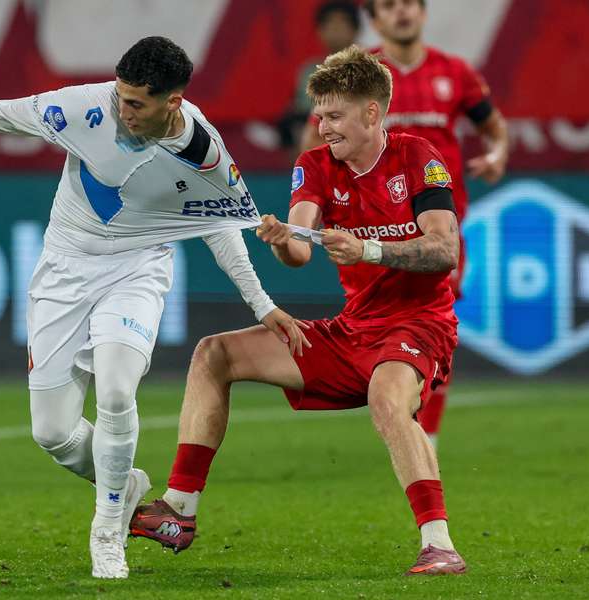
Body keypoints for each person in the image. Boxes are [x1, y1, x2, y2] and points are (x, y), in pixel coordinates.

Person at [0, 36, 308, 579]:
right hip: (64, 271)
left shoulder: (204, 152)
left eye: (137, 102)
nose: (123, 109)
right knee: (53, 433)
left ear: (174, 102)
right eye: (121, 95)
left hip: (137, 270)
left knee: (117, 390)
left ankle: (107, 533)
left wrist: (263, 305)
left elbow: (216, 224)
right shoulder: (84, 108)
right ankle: (126, 483)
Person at [130, 45, 467, 576]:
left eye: (334, 115)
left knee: (387, 397)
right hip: (351, 330)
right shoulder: (313, 165)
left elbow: (444, 250)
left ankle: (439, 544)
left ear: (371, 113)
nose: (323, 125)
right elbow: (300, 249)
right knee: (214, 353)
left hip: (418, 326)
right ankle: (179, 508)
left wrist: (368, 250)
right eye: (320, 114)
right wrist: (280, 240)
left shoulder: (417, 156)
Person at [300, 0, 509, 445]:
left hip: (437, 224)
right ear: (375, 19)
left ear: (423, 13)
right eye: (389, 7)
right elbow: (316, 133)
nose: (402, 14)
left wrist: (497, 155)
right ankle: (395, 406)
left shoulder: (455, 73)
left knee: (436, 313)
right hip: (372, 224)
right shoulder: (362, 75)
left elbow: (494, 127)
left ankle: (422, 432)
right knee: (378, 320)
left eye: (410, 5)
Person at [278, 1, 361, 155]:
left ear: (355, 30)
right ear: (319, 32)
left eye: (342, 23)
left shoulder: (371, 70)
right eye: (329, 24)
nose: (336, 29)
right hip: (321, 151)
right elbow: (301, 117)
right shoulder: (310, 72)